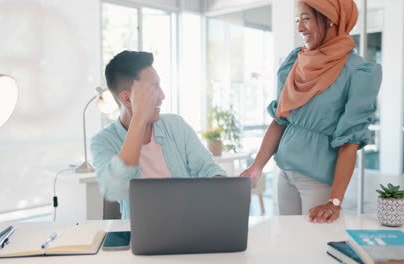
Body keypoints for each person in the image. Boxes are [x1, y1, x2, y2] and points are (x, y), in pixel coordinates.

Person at [240, 0, 382, 223]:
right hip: (284, 173)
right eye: (298, 20)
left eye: (306, 19)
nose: (299, 28)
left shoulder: (358, 72)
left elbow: (349, 142)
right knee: (288, 245)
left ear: (331, 20)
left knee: (313, 251)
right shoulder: (295, 62)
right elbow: (280, 120)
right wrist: (256, 167)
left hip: (317, 180)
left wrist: (334, 202)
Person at [90, 50, 227, 219]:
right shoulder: (103, 142)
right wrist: (139, 117)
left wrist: (224, 189)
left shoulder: (176, 126)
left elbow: (207, 169)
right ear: (127, 100)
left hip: (189, 227)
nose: (162, 96)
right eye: (153, 89)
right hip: (141, 236)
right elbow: (115, 188)